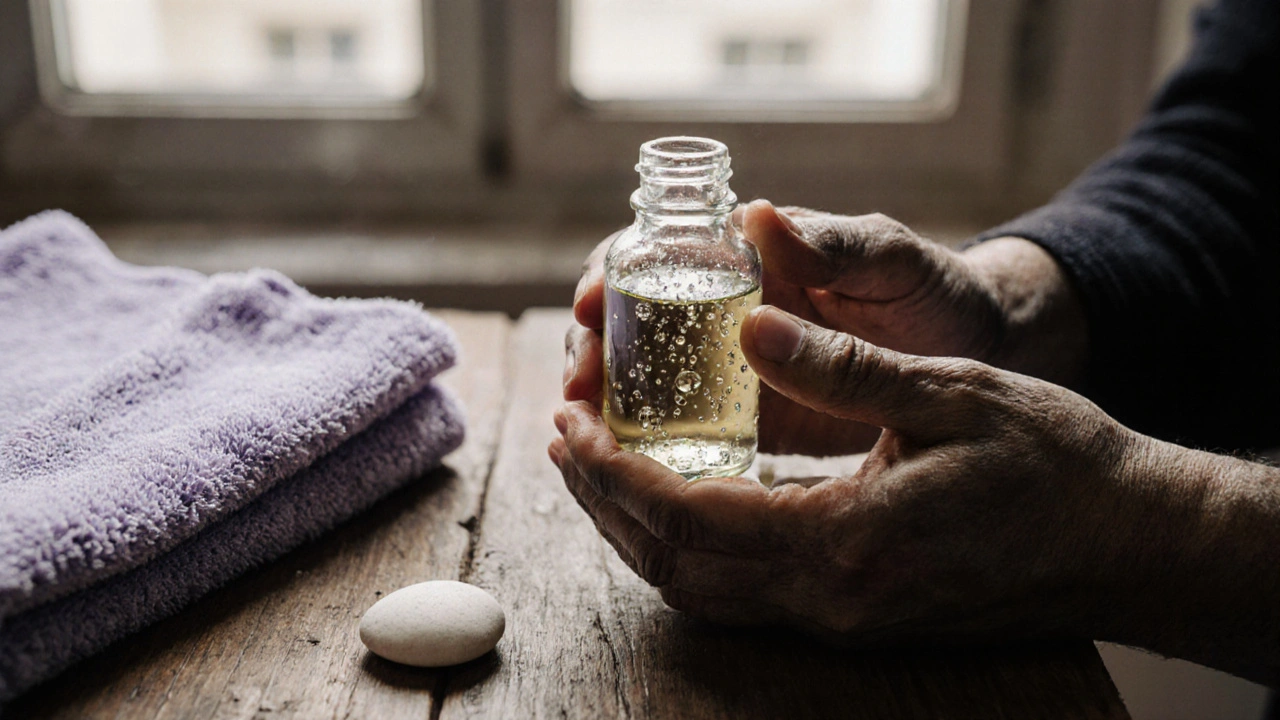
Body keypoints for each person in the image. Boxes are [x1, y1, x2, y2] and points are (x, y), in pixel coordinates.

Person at [550, 0, 1279, 686]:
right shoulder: (677, 261)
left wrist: (1142, 527)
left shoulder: (726, 260)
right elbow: (1243, 143)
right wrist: (1000, 314)